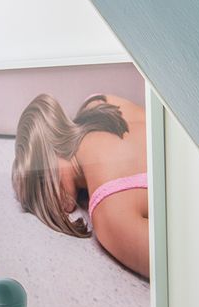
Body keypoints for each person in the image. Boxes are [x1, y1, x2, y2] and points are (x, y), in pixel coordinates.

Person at [11, 93, 149, 279]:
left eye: (43, 187)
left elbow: (180, 270)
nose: (56, 206)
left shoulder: (109, 213)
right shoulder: (100, 103)